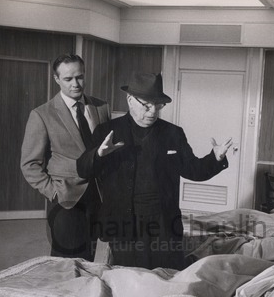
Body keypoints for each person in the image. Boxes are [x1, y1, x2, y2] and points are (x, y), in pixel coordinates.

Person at [76, 71, 233, 270]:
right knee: (128, 282)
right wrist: (98, 154)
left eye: (158, 106)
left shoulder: (173, 133)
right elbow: (82, 169)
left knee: (167, 280)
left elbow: (193, 170)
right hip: (124, 225)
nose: (153, 112)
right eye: (147, 105)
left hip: (164, 224)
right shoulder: (107, 132)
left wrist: (215, 158)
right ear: (130, 100)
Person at [20, 54, 111, 260]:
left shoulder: (101, 107)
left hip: (99, 197)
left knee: (92, 260)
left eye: (79, 77)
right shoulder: (42, 114)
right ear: (57, 79)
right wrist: (53, 192)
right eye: (68, 79)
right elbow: (30, 165)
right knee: (66, 264)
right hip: (66, 199)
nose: (75, 84)